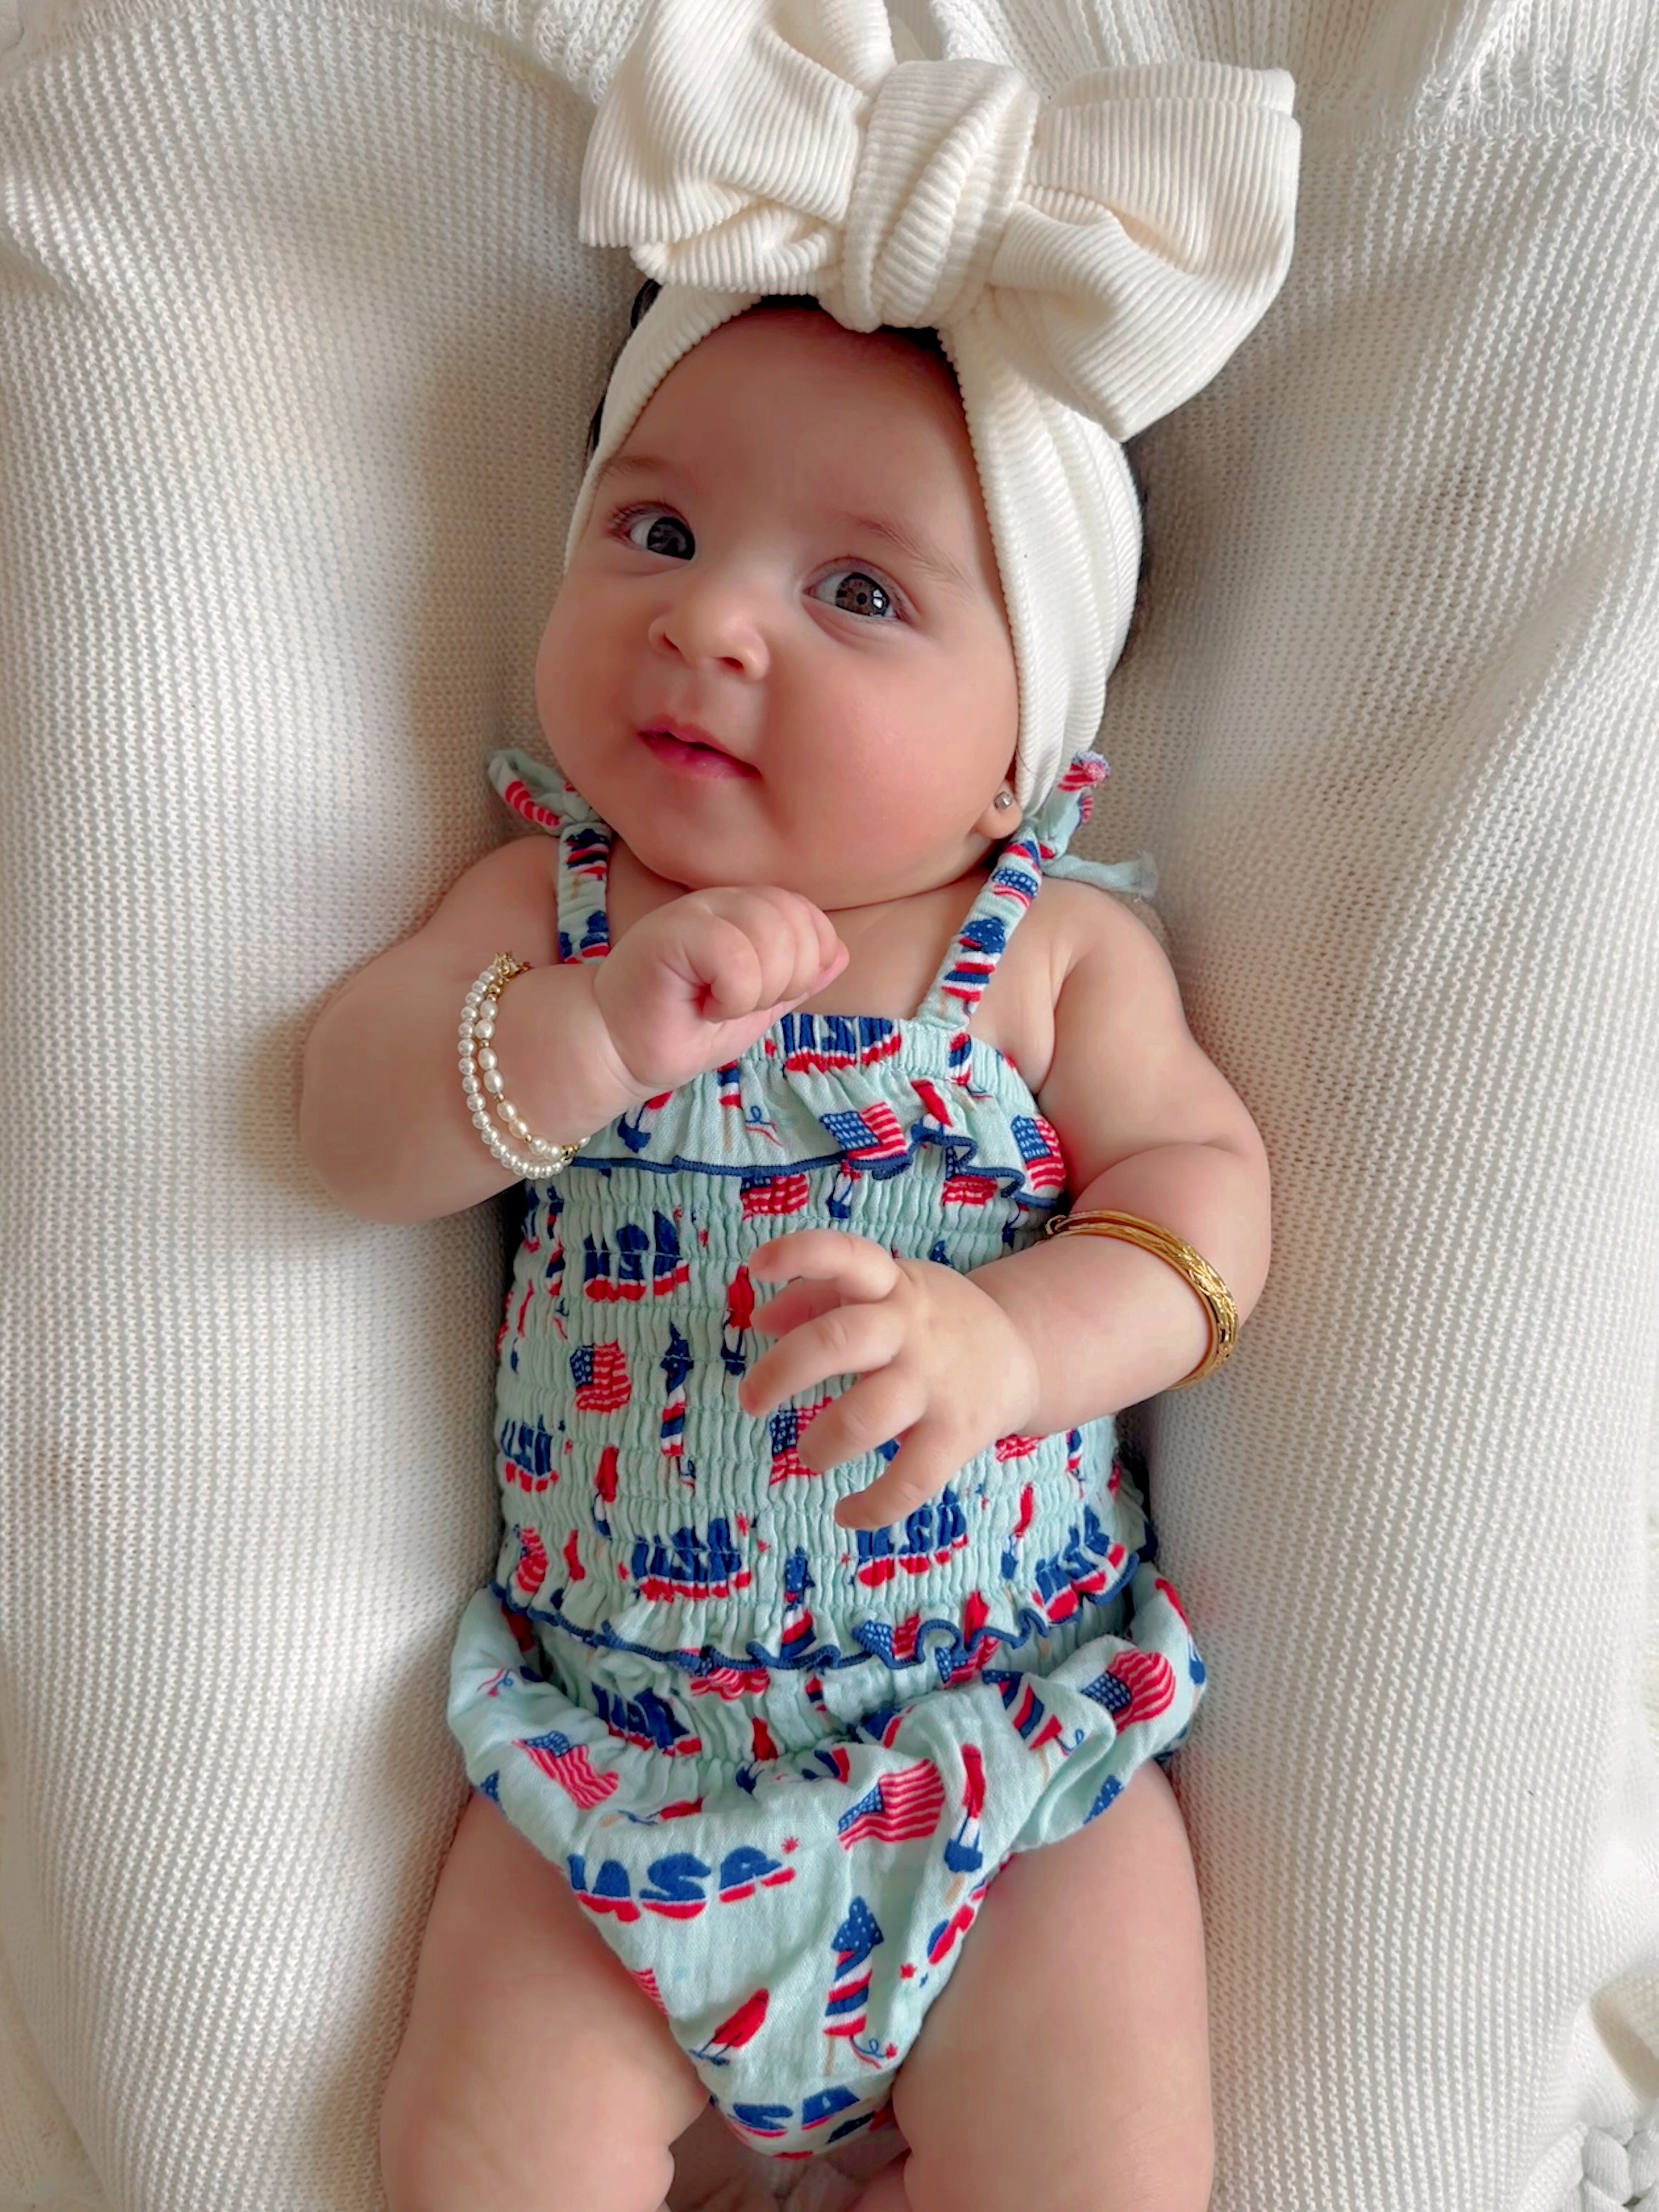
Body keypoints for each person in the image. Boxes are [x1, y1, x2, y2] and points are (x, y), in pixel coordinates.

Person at [298, 8, 1297, 2208]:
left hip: (1003, 1753)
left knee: (1113, 2170)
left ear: (1031, 750)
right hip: (609, 1766)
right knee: (468, 2152)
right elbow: (343, 1123)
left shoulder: (1046, 953)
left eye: (857, 593)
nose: (711, 627)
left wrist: (1014, 1342)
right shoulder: (552, 899)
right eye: (652, 530)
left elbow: (1210, 1211)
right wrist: (571, 1043)